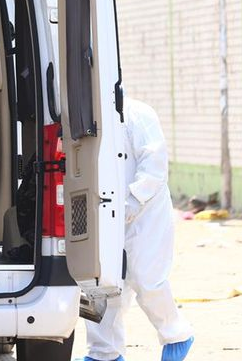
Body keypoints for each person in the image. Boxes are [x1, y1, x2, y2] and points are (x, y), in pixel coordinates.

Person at [85, 97, 194, 361]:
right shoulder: (84, 114)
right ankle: (104, 353)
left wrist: (135, 198)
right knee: (97, 282)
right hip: (103, 212)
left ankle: (177, 335)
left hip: (146, 213)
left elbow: (154, 162)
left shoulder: (137, 113)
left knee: (146, 278)